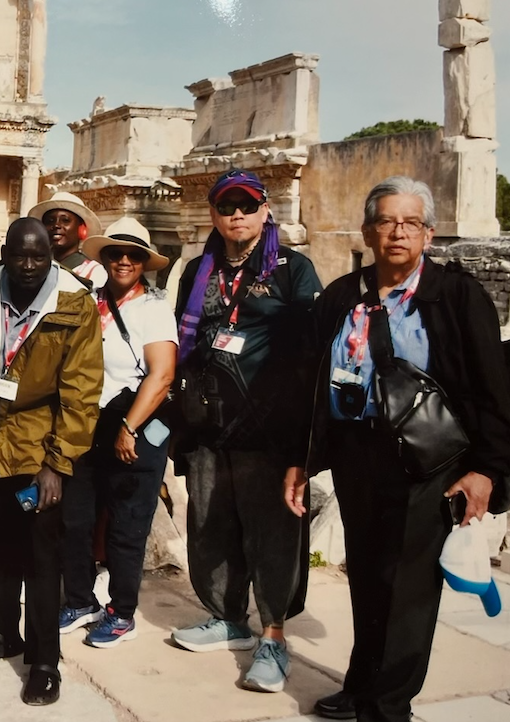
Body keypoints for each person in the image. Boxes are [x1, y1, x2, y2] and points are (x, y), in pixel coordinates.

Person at [284, 177, 510, 722]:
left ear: (429, 234)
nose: (398, 232)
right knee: (367, 576)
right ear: (368, 232)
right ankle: (363, 684)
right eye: (386, 221)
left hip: (430, 460)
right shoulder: (342, 296)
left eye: (411, 222)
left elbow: (494, 388)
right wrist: (301, 459)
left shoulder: (456, 297)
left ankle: (388, 707)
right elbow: (309, 383)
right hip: (357, 454)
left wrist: (487, 470)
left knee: (408, 588)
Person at [168, 168, 321, 693]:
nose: (237, 214)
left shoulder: (292, 269)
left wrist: (301, 436)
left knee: (271, 533)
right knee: (210, 524)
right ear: (213, 213)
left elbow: (309, 350)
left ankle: (273, 636)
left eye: (247, 205)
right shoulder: (198, 270)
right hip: (208, 424)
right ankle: (227, 616)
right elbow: (184, 338)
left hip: (267, 427)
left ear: (264, 210)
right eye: (227, 206)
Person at [0, 217, 103, 706]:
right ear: (6, 253)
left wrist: (57, 463)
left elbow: (82, 392)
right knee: (2, 547)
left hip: (41, 448)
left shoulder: (75, 304)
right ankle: (3, 633)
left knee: (42, 559)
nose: (31, 265)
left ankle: (44, 661)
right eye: (21, 256)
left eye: (40, 256)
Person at [58, 218, 177, 648]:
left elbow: (162, 374)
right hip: (90, 424)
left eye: (134, 255)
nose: (124, 261)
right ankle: (80, 600)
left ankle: (123, 612)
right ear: (104, 258)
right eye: (115, 253)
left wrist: (129, 428)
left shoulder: (153, 308)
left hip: (135, 424)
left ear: (144, 262)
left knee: (127, 525)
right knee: (75, 519)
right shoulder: (91, 301)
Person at [28, 191, 108, 292]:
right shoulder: (33, 268)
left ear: (81, 230)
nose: (56, 225)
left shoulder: (94, 271)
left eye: (65, 220)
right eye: (50, 221)